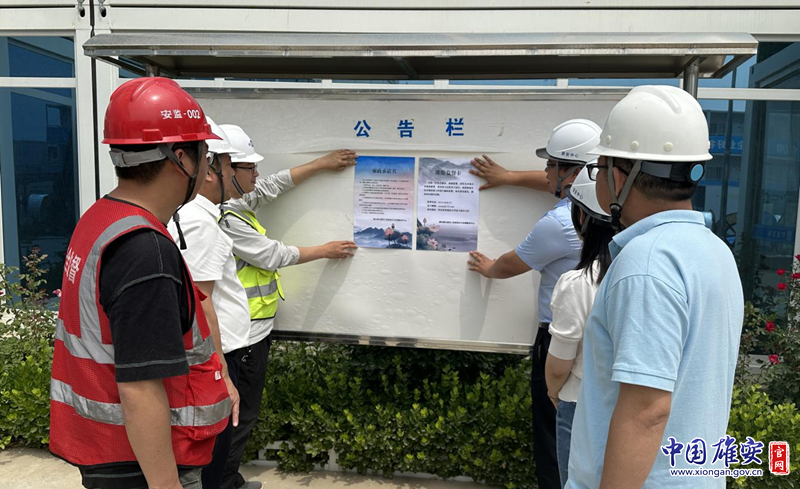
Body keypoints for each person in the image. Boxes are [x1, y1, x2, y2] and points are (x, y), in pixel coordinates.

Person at [49, 77, 231, 489]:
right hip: (141, 464)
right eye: (206, 154)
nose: (208, 167)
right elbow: (140, 387)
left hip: (111, 453)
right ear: (181, 158)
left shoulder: (101, 218)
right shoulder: (143, 250)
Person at [566, 86, 744, 488]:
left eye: (598, 167)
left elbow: (647, 411)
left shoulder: (646, 263)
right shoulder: (714, 252)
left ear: (618, 176)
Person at [218, 124, 359, 489]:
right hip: (242, 337)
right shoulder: (224, 219)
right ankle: (224, 482)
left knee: (240, 414)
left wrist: (321, 163)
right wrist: (325, 250)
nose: (257, 174)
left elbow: (270, 186)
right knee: (240, 415)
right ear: (226, 168)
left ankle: (225, 478)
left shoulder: (231, 203)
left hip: (252, 331)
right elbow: (271, 255)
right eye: (250, 167)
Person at [467, 119, 602, 489]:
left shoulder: (560, 223)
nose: (544, 172)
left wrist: (488, 268)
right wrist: (509, 177)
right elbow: (554, 183)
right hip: (600, 336)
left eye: (550, 165)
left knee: (553, 436)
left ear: (571, 173)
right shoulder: (607, 208)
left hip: (560, 339)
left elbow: (512, 264)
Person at [167, 118, 253, 488]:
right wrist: (223, 376)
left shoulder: (198, 216)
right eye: (229, 164)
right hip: (217, 357)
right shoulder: (198, 223)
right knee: (213, 460)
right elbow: (202, 305)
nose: (233, 173)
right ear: (207, 168)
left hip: (217, 355)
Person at [543, 167, 614, 488]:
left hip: (579, 403)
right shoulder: (636, 275)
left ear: (582, 218)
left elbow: (560, 363)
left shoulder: (578, 283)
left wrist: (552, 391)